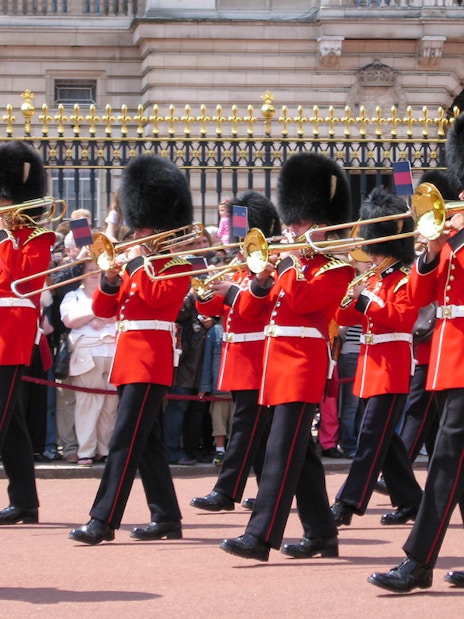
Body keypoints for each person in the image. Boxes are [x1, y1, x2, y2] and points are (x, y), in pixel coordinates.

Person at [219, 152, 354, 562]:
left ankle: (260, 537)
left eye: (298, 222)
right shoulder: (286, 267)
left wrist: (288, 266)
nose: (290, 229)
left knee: (279, 453)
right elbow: (248, 313)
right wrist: (259, 282)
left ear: (321, 224)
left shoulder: (336, 269)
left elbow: (303, 302)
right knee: (303, 458)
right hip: (277, 368)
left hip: (303, 367)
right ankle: (321, 534)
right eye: (290, 222)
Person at [68, 153, 193, 545]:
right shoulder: (131, 262)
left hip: (151, 358)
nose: (136, 234)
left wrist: (136, 265)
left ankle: (103, 519)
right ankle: (167, 517)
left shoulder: (176, 264)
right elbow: (104, 309)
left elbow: (157, 300)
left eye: (143, 229)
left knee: (124, 440)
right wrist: (108, 277)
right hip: (129, 356)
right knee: (148, 441)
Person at [367, 112, 464, 592]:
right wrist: (428, 251)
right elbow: (422, 296)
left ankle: (418, 561)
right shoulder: (450, 234)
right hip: (448, 360)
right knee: (457, 463)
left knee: (445, 461)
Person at [330, 186, 423, 530]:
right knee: (387, 441)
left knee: (370, 439)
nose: (370, 255)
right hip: (372, 368)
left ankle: (346, 503)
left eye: (375, 248)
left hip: (392, 368)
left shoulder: (403, 280)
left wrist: (367, 300)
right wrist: (350, 297)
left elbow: (402, 319)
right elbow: (346, 320)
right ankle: (413, 500)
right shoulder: (375, 281)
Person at [190, 191, 281, 513]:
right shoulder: (239, 267)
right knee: (260, 431)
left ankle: (226, 491)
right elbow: (214, 307)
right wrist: (204, 292)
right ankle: (272, 490)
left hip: (258, 356)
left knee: (246, 428)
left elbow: (253, 310)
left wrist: (231, 292)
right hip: (238, 355)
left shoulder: (267, 270)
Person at [0, 140, 56, 525]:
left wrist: (6, 238)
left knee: (3, 419)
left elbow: (21, 282)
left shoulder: (37, 239)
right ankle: (25, 503)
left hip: (12, 335)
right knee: (12, 423)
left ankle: (24, 502)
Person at [60, 260, 118, 466]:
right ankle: (86, 451)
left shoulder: (112, 292)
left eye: (98, 271)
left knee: (110, 405)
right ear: (81, 274)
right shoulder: (73, 296)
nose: (95, 274)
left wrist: (99, 316)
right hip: (86, 353)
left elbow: (119, 316)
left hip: (112, 351)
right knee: (87, 404)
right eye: (90, 271)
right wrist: (98, 312)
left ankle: (105, 449)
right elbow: (69, 320)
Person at [198, 316, 233, 466]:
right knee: (218, 421)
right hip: (219, 385)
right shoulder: (215, 331)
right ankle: (220, 451)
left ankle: (233, 452)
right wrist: (205, 386)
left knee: (236, 423)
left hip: (239, 386)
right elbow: (207, 361)